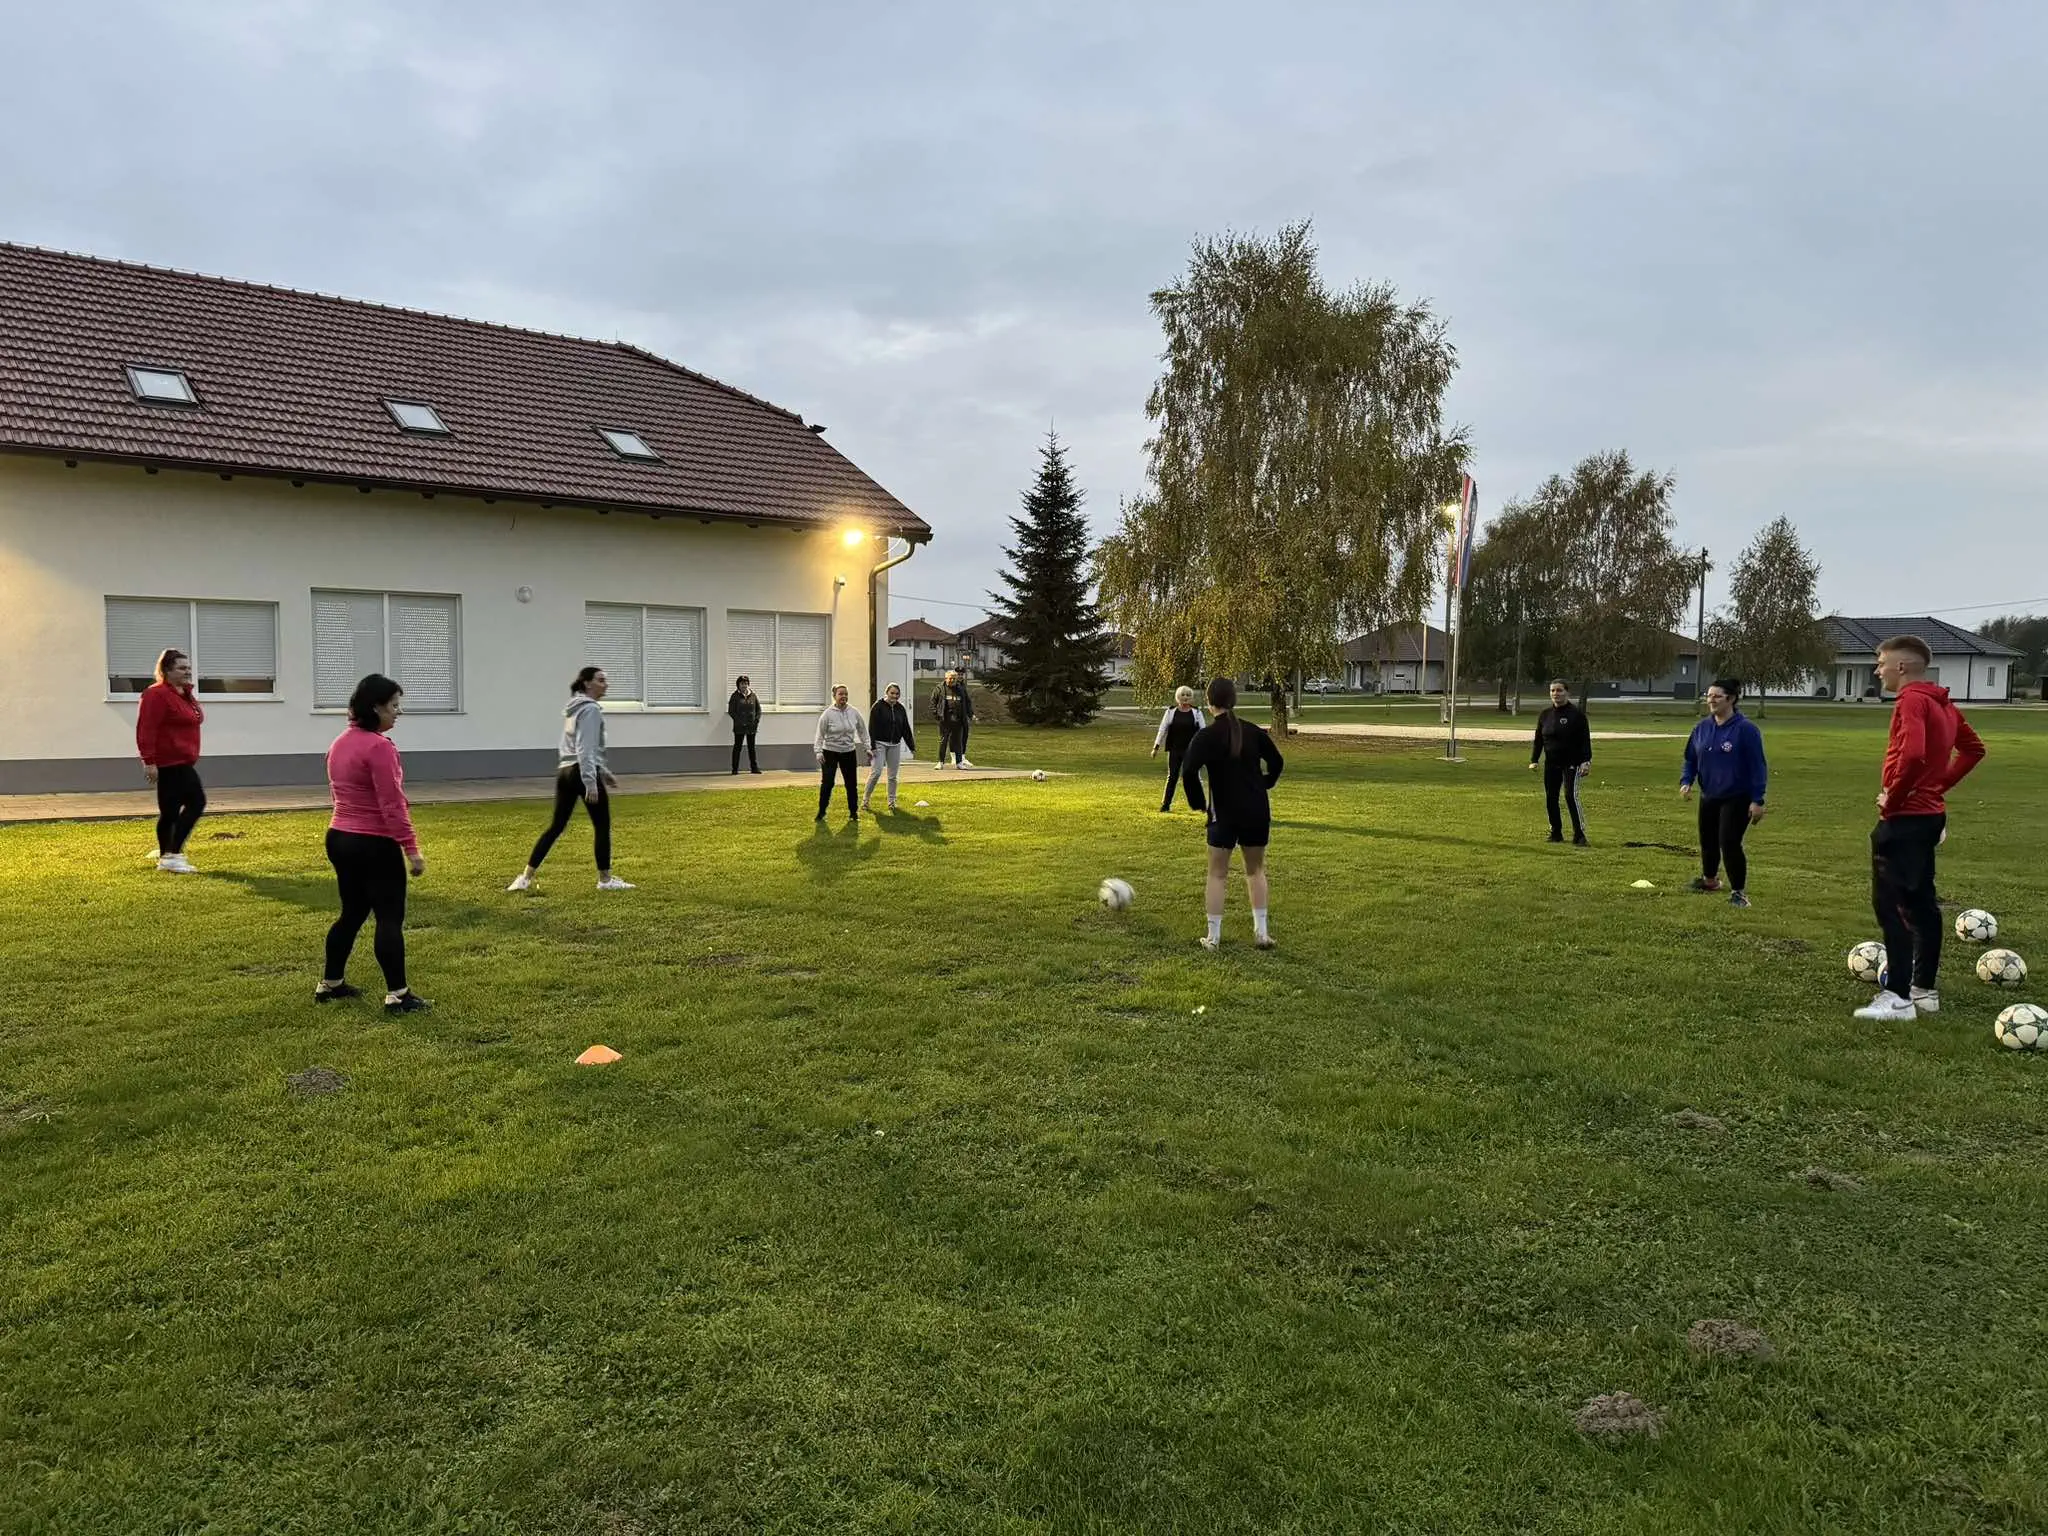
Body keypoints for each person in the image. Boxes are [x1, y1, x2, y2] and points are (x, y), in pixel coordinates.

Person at [1852, 634, 1987, 1022]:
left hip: (1905, 817)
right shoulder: (1940, 702)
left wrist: (1893, 799)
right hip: (1928, 815)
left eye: (1880, 663)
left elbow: (1912, 755)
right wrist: (1936, 788)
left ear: (1902, 666)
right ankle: (1923, 990)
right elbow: (1974, 750)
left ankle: (1897, 998)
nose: (1877, 670)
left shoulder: (1911, 700)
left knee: (1892, 904)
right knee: (1922, 902)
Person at [318, 674, 429, 1014]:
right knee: (389, 916)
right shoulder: (379, 747)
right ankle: (398, 995)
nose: (398, 712)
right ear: (376, 707)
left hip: (340, 838)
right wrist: (411, 848)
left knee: (351, 913)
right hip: (373, 842)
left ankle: (330, 984)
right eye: (394, 706)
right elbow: (392, 803)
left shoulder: (341, 742)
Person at [1181, 677, 1285, 951]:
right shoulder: (1252, 731)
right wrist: (1265, 783)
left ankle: (1213, 937)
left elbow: (1189, 771)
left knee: (1217, 874)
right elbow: (1277, 762)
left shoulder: (1206, 736)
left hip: (1223, 812)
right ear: (1233, 700)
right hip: (1256, 809)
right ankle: (1261, 933)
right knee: (1255, 871)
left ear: (1208, 702)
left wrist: (1198, 803)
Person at [508, 667, 633, 892]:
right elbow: (585, 749)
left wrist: (603, 771)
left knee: (556, 826)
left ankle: (525, 877)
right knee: (602, 825)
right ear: (587, 684)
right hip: (581, 771)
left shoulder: (573, 709)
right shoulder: (591, 710)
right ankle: (605, 880)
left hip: (565, 771)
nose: (606, 684)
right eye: (601, 680)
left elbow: (572, 747)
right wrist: (590, 781)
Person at [1679, 678, 1768, 908]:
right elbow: (1691, 758)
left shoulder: (1745, 730)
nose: (1711, 700)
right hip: (1709, 794)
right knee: (1707, 840)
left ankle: (1739, 892)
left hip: (1737, 797)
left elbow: (1758, 766)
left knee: (1728, 842)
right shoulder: (1702, 728)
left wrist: (1757, 800)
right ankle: (1710, 881)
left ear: (1731, 699)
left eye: (1716, 696)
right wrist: (1686, 781)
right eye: (1708, 696)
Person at [136, 647, 207, 873]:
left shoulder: (185, 693)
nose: (188, 672)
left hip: (184, 759)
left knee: (170, 811)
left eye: (189, 668)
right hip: (170, 761)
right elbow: (146, 729)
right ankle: (172, 855)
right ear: (166, 670)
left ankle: (166, 851)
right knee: (197, 802)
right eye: (182, 668)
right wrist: (149, 761)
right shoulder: (156, 694)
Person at [1527, 679, 1593, 844]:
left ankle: (1579, 835)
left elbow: (1585, 740)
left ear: (1567, 693)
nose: (1556, 694)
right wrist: (1534, 759)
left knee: (1570, 796)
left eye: (1559, 690)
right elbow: (1538, 740)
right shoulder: (1545, 715)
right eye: (1553, 691)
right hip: (1551, 763)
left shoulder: (1576, 715)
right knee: (1551, 797)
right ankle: (1556, 832)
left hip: (1572, 763)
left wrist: (1586, 761)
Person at [815, 683, 870, 821]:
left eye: (845, 694)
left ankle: (853, 813)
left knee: (851, 784)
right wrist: (818, 751)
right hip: (830, 752)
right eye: (841, 694)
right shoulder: (827, 714)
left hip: (848, 752)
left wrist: (867, 747)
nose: (844, 697)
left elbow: (862, 730)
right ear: (834, 696)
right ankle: (821, 812)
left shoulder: (854, 712)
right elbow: (819, 734)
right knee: (828, 783)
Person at [863, 682, 916, 812]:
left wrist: (911, 745)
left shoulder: (900, 709)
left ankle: (891, 802)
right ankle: (865, 800)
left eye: (897, 694)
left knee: (892, 776)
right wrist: (872, 746)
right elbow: (872, 728)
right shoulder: (878, 707)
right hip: (880, 744)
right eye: (892, 693)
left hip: (895, 745)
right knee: (876, 772)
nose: (894, 696)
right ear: (887, 693)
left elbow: (905, 728)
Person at [1151, 685, 1202, 812]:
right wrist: (1156, 747)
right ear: (1178, 697)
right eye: (1183, 695)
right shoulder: (1170, 711)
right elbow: (1162, 729)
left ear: (1191, 698)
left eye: (1188, 695)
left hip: (1190, 751)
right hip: (1174, 750)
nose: (1185, 698)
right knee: (1172, 777)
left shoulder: (1196, 713)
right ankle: (1165, 805)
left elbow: (1203, 731)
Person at [935, 670, 975, 768]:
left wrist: (969, 714)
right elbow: (933, 703)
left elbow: (967, 702)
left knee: (958, 742)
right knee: (943, 741)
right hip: (945, 720)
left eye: (954, 678)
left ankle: (959, 763)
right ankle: (940, 762)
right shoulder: (939, 688)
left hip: (958, 720)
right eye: (950, 678)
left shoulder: (961, 689)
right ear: (946, 678)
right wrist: (937, 715)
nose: (952, 680)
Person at [728, 674, 762, 774]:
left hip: (751, 727)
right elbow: (731, 712)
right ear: (738, 685)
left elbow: (758, 710)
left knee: (751, 748)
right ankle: (735, 769)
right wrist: (739, 721)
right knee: (737, 747)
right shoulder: (735, 696)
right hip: (739, 727)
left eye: (746, 684)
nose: (744, 686)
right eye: (742, 684)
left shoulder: (753, 696)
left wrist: (756, 721)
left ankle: (754, 768)